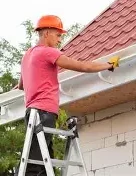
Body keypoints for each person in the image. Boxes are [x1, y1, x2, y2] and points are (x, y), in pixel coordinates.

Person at [15, 15, 120, 175]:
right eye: (58, 35)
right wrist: (107, 65)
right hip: (44, 113)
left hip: (32, 113)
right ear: (46, 33)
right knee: (34, 166)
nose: (59, 40)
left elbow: (21, 85)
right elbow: (82, 66)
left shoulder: (27, 55)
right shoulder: (47, 52)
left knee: (42, 163)